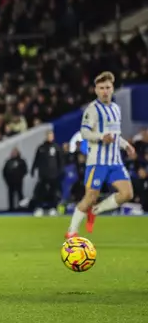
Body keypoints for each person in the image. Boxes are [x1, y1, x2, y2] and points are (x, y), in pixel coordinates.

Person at [66, 71, 135, 238]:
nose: (105, 91)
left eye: (108, 87)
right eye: (101, 88)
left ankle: (96, 211)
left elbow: (115, 134)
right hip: (97, 162)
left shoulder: (116, 109)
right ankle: (71, 232)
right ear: (96, 90)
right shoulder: (92, 110)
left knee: (127, 194)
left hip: (115, 161)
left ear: (113, 89)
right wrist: (101, 138)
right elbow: (84, 133)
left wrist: (126, 145)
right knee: (90, 197)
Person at [31, 131, 63, 216]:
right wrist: (33, 169)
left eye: (51, 135)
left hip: (54, 175)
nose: (50, 137)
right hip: (43, 174)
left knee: (53, 192)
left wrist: (60, 171)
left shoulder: (56, 147)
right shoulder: (41, 147)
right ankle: (40, 208)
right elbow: (36, 160)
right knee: (41, 192)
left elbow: (60, 160)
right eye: (49, 135)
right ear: (46, 136)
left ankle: (53, 208)